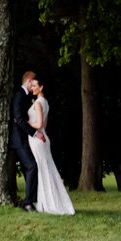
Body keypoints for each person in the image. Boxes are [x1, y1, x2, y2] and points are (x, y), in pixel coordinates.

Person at [27, 78, 76, 215]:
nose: (32, 88)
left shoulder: (38, 102)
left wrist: (26, 123)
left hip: (37, 138)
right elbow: (45, 126)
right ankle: (48, 201)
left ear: (41, 87)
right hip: (44, 138)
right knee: (46, 168)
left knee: (42, 169)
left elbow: (40, 125)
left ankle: (47, 202)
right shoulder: (46, 102)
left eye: (35, 85)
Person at [9, 70, 44, 210]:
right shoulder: (19, 95)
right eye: (33, 83)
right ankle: (28, 202)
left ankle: (32, 199)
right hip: (19, 139)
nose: (34, 86)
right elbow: (19, 118)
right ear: (29, 80)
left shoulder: (26, 95)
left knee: (28, 167)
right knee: (31, 166)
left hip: (24, 138)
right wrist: (34, 133)